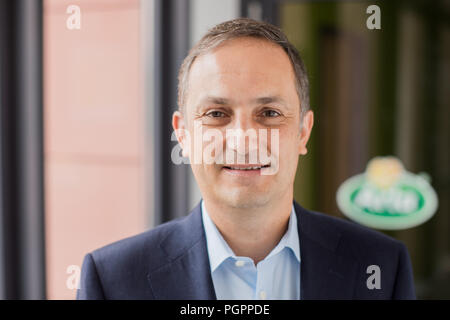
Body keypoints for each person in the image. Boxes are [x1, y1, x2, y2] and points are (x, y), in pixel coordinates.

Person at [77, 18, 416, 300]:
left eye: (269, 112)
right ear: (183, 135)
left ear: (303, 131)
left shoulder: (381, 267)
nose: (244, 139)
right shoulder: (113, 282)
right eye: (216, 113)